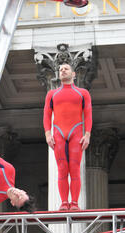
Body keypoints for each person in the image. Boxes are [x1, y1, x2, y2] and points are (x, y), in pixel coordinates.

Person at [43, 63, 92, 211]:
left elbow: (88, 113)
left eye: (66, 69)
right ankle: (64, 202)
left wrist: (87, 134)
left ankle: (75, 203)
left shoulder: (83, 93)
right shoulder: (52, 94)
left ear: (74, 74)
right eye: (60, 70)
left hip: (76, 133)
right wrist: (48, 134)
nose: (62, 71)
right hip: (59, 133)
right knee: (62, 169)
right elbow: (46, 114)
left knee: (74, 169)